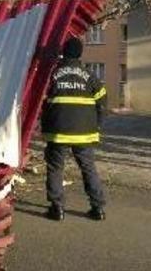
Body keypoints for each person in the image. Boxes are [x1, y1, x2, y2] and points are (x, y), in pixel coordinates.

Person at [41, 36, 107, 221]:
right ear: (80, 53)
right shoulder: (90, 76)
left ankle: (57, 208)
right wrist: (97, 125)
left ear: (63, 52)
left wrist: (44, 124)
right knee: (88, 168)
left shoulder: (52, 74)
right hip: (84, 133)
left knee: (55, 168)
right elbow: (102, 102)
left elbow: (42, 102)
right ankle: (98, 208)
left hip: (58, 131)